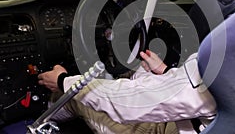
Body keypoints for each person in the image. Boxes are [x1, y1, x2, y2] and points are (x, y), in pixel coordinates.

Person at [38, 50, 216, 133]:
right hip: (188, 121)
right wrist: (165, 71)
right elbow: (190, 88)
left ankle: (40, 121)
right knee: (140, 72)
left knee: (76, 97)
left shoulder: (223, 63)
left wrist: (63, 81)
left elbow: (127, 105)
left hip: (170, 127)